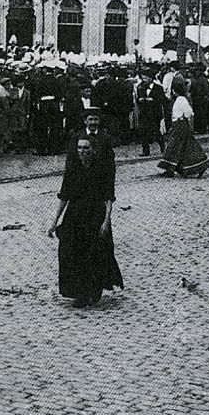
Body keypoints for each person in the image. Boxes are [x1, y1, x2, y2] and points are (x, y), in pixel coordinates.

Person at [47, 132, 124, 308]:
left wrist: (106, 221)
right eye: (80, 148)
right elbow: (64, 197)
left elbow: (108, 197)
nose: (83, 151)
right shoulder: (72, 170)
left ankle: (94, 290)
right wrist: (54, 222)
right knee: (71, 254)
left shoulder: (101, 169)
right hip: (74, 216)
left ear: (93, 150)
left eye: (86, 148)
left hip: (95, 216)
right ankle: (79, 293)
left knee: (94, 254)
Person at [158, 77, 209, 178]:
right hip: (178, 124)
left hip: (180, 124)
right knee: (183, 147)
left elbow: (189, 112)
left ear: (174, 91)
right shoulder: (179, 99)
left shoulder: (181, 100)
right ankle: (181, 167)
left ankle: (171, 168)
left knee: (174, 146)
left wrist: (183, 118)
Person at [136, 69, 166, 157]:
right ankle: (146, 150)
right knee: (143, 132)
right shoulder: (140, 87)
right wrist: (140, 100)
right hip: (144, 112)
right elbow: (138, 98)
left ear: (150, 78)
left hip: (154, 113)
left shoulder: (158, 88)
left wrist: (153, 100)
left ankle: (163, 148)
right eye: (143, 78)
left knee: (156, 131)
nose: (143, 80)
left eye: (145, 78)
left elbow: (162, 100)